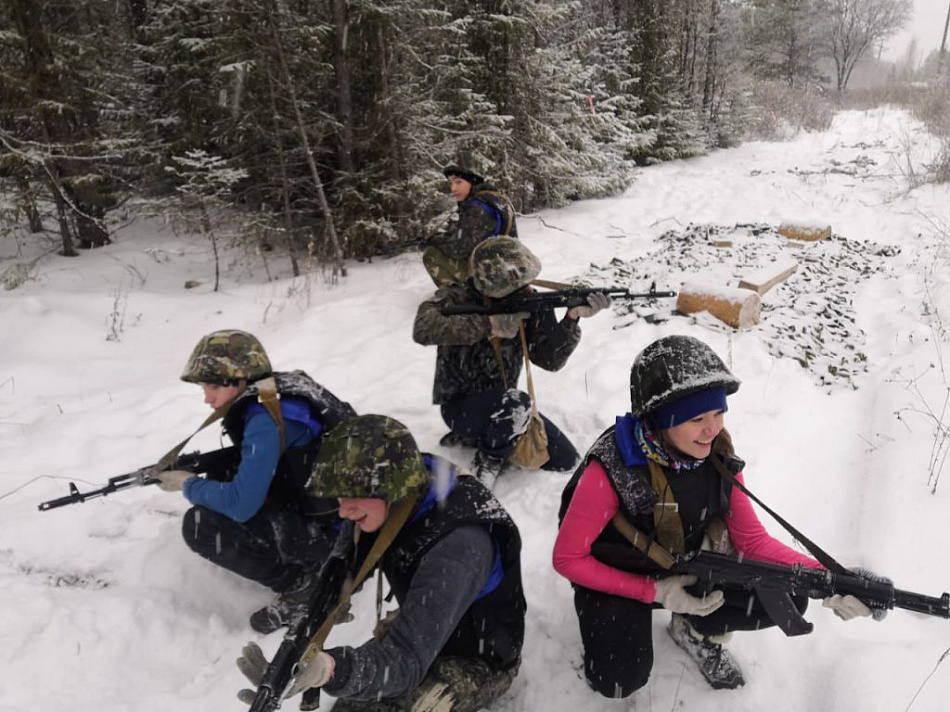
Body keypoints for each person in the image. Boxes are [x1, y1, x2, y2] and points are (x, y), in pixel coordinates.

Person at [553, 334, 884, 697]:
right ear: (660, 421)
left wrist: (832, 579)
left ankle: (694, 630)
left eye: (719, 412)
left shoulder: (717, 455)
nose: (713, 429)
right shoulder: (611, 471)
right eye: (697, 418)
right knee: (618, 679)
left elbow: (752, 541)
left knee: (788, 595)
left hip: (682, 557)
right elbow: (568, 558)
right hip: (618, 569)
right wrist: (653, 591)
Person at [236, 414, 526, 712]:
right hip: (429, 619)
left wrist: (330, 669)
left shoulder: (458, 546)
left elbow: (405, 663)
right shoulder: (395, 488)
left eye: (352, 495)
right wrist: (291, 661)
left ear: (392, 488)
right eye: (338, 495)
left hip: (475, 658)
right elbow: (338, 575)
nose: (343, 510)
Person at [155, 329, 356, 634]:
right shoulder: (278, 393)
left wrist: (187, 484)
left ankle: (304, 587)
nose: (207, 398)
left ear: (239, 379)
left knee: (200, 526)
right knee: (225, 477)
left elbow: (241, 505)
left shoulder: (264, 418)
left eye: (212, 387)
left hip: (339, 538)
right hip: (347, 517)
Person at [413, 236, 610, 487]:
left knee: (566, 461)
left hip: (506, 407)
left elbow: (550, 360)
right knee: (517, 402)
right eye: (517, 285)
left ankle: (492, 436)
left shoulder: (529, 301)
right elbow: (422, 327)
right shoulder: (459, 297)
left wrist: (571, 319)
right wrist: (488, 325)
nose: (526, 289)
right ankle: (488, 459)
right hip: (460, 408)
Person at [422, 154, 518, 286]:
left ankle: (459, 295)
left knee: (431, 254)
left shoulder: (477, 207)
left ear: (472, 182)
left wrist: (432, 241)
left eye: (458, 182)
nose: (453, 188)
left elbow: (460, 248)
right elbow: (468, 236)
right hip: (505, 268)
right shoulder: (492, 198)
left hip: (492, 277)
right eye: (451, 183)